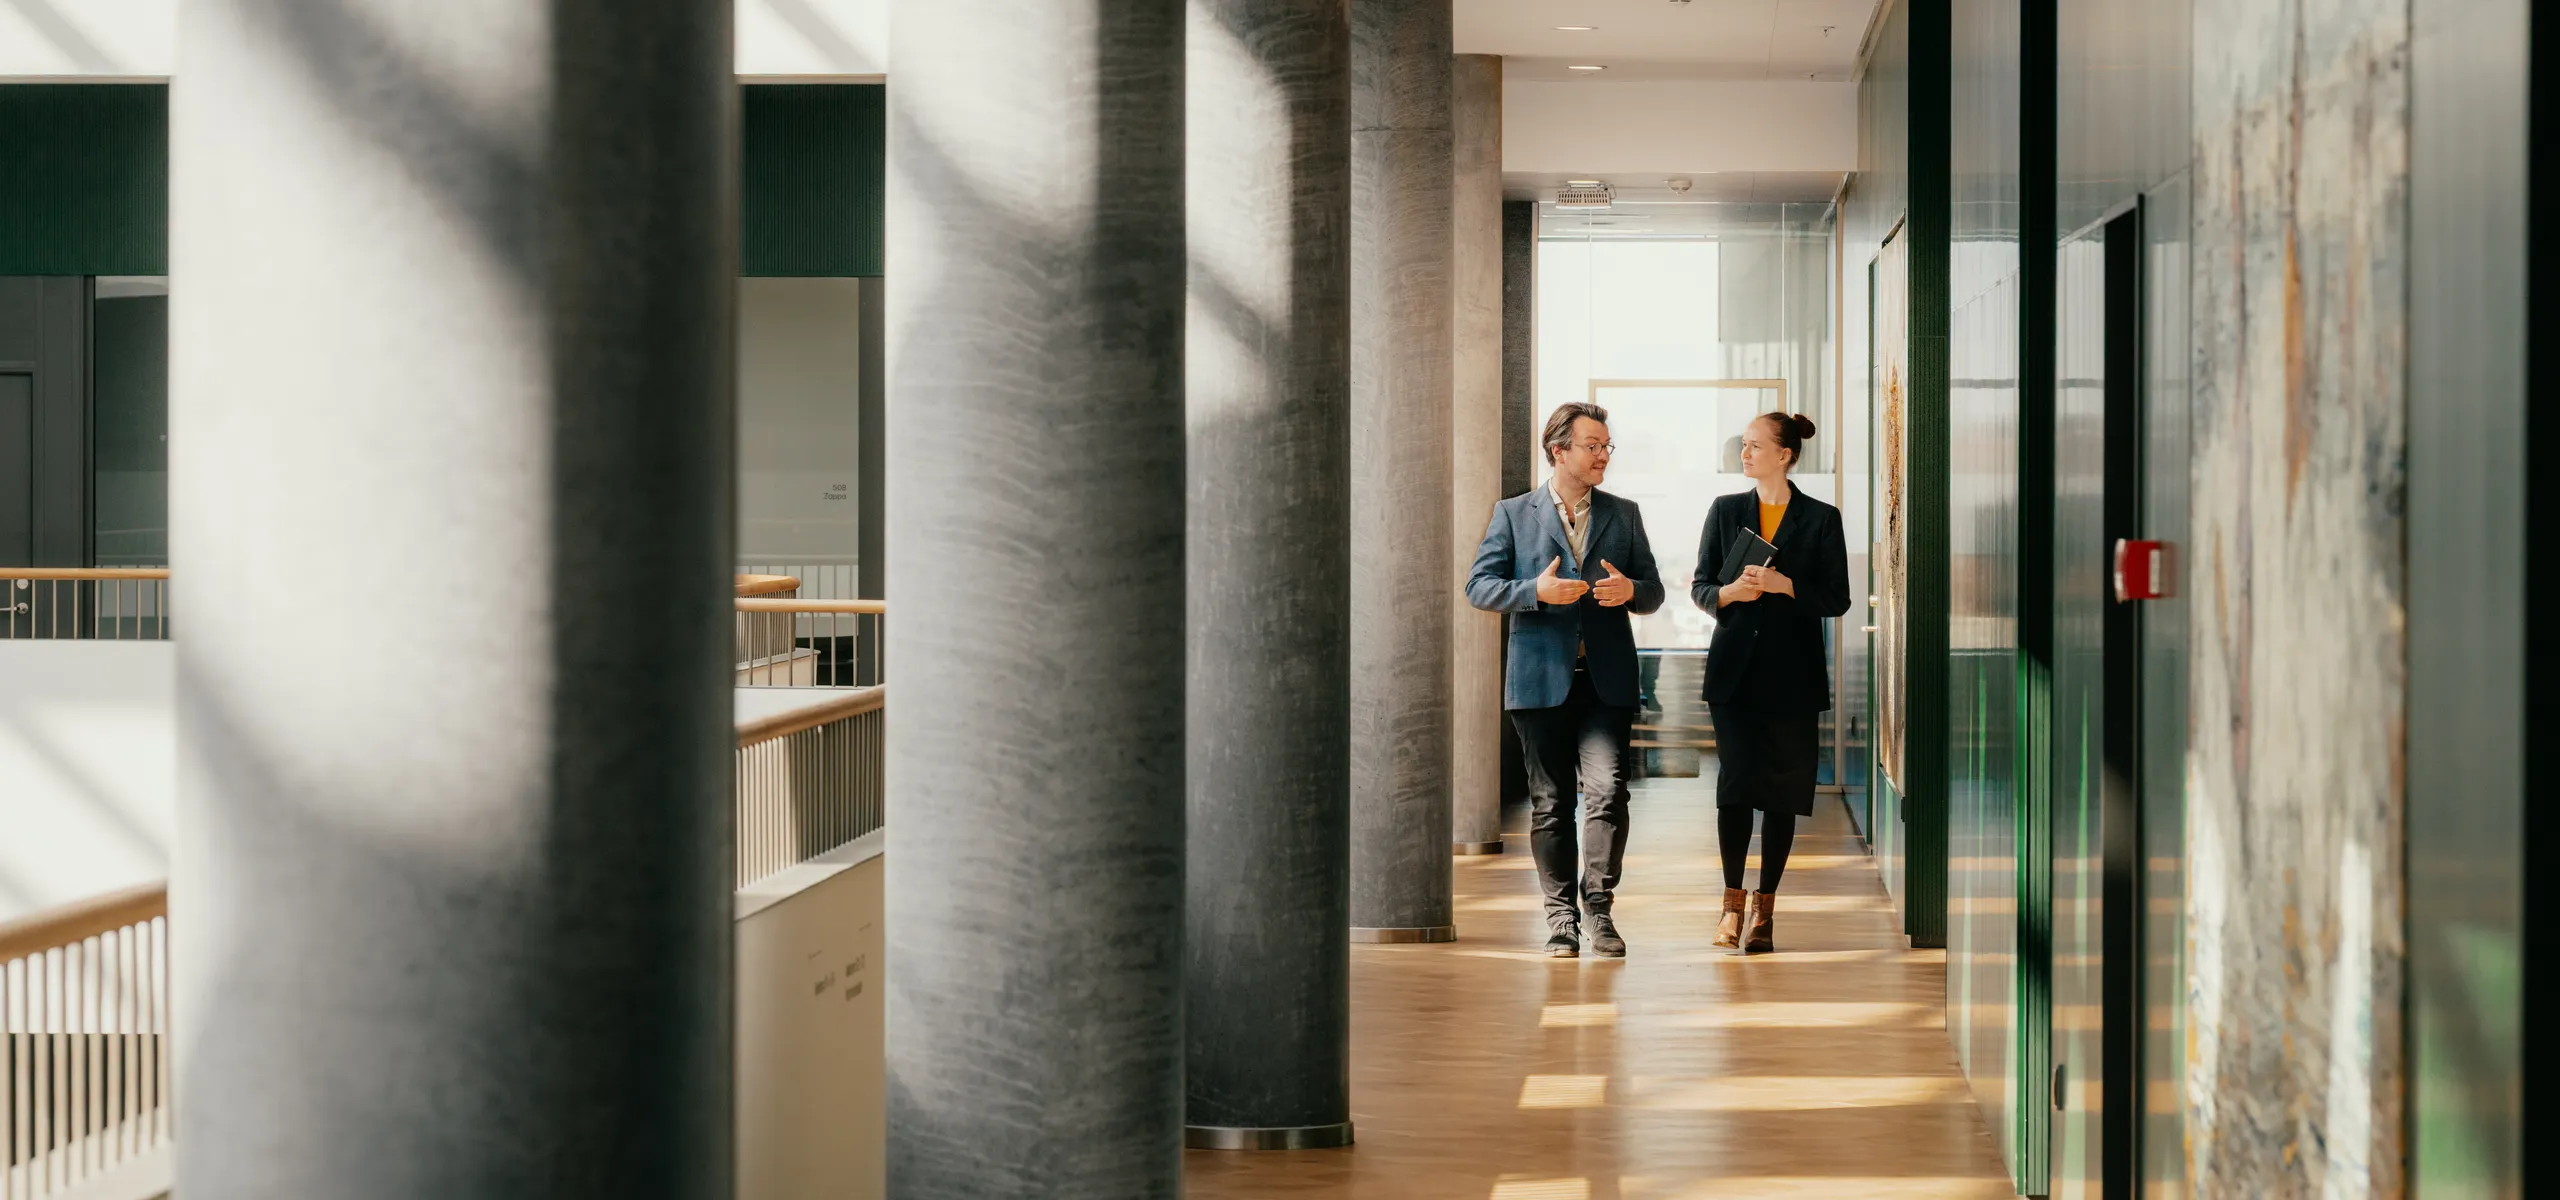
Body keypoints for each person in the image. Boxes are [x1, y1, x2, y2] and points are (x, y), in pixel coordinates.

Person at [1467, 402, 1664, 958]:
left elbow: (1652, 589)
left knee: (1607, 793)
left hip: (1606, 683)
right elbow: (1480, 587)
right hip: (1537, 682)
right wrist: (1534, 591)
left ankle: (1599, 912)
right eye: (1593, 446)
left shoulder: (1623, 514)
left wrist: (1632, 593)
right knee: (1550, 804)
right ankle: (1561, 920)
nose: (1604, 455)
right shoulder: (1513, 513)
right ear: (1560, 450)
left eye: (1607, 446)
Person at [1691, 412, 1851, 954]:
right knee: (1735, 789)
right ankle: (1730, 908)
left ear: (1784, 454)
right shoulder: (1726, 511)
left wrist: (1786, 585)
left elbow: (1837, 599)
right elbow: (1700, 587)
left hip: (1793, 677)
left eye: (1755, 446)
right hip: (1734, 676)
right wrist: (1730, 594)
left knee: (1782, 795)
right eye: (1743, 445)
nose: (1745, 453)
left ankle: (1765, 913)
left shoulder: (1822, 518)